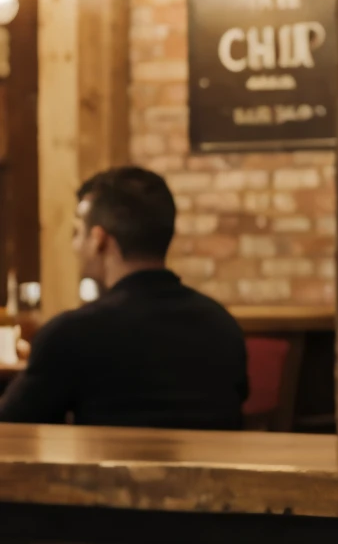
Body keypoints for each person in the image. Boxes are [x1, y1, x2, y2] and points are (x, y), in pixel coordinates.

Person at [0, 166, 247, 429]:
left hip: (104, 472)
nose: (74, 245)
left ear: (98, 240)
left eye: (76, 232)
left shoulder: (72, 333)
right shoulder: (223, 326)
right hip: (211, 471)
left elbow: (10, 427)